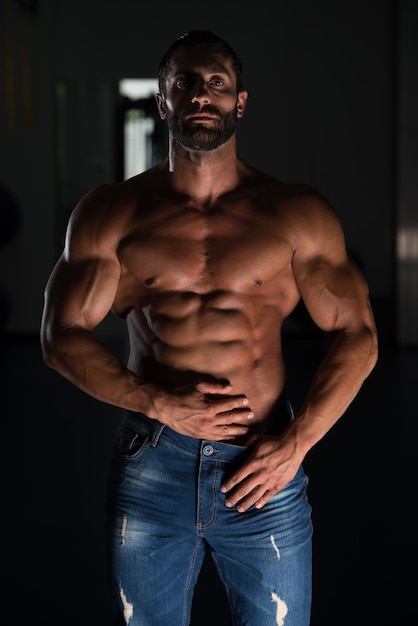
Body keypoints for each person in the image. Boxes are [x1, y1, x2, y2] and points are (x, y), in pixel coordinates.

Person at [40, 29, 378, 626]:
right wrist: (158, 403)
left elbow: (358, 335)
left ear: (240, 102)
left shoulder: (295, 213)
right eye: (185, 83)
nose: (202, 93)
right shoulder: (110, 213)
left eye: (217, 83)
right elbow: (59, 336)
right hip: (152, 464)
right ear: (163, 101)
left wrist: (296, 446)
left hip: (264, 463)